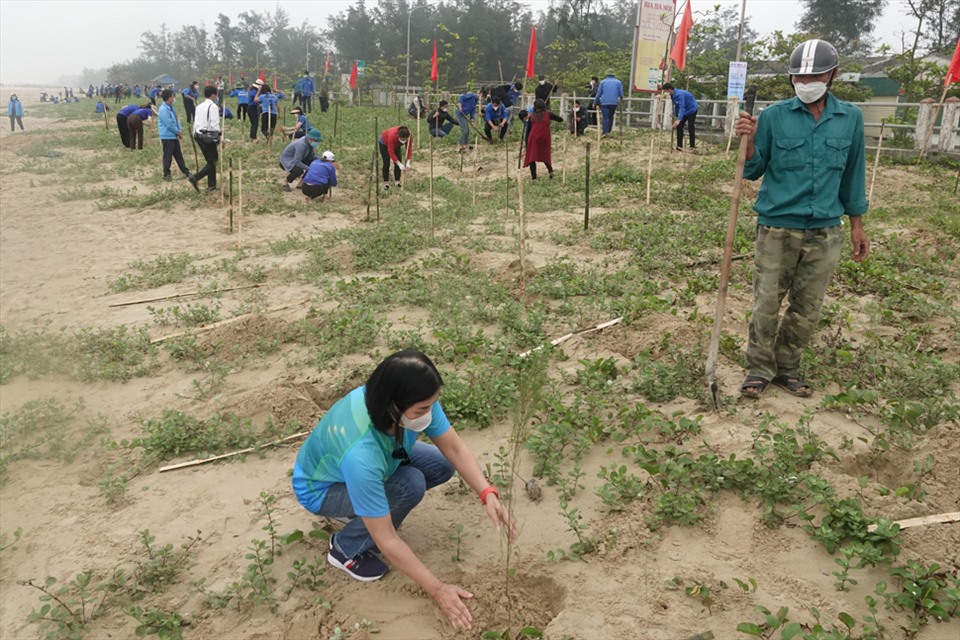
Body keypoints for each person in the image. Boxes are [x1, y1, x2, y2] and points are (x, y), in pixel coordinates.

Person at [292, 349, 513, 631]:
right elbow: (387, 540)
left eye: (432, 405)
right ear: (392, 407)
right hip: (322, 488)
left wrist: (487, 493)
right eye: (422, 410)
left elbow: (455, 448)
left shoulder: (409, 399)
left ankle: (365, 511)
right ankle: (345, 548)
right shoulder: (361, 454)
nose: (429, 415)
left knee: (441, 465)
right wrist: (438, 589)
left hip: (373, 464)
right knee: (410, 485)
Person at [735, 39, 870, 400]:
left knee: (807, 307)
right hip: (777, 227)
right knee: (766, 303)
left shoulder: (850, 119)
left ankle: (787, 367)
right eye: (799, 76)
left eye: (815, 75)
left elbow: (853, 174)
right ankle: (759, 368)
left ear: (833, 76)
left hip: (826, 230)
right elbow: (752, 168)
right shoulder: (775, 117)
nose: (806, 81)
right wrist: (747, 143)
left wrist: (857, 224)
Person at [189, 85, 222, 193]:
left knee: (210, 160)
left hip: (198, 135)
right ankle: (195, 177)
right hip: (208, 136)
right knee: (213, 161)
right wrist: (219, 138)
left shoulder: (199, 106)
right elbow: (214, 125)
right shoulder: (213, 107)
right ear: (213, 95)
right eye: (216, 95)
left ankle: (211, 185)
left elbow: (195, 122)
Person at [157, 89, 193, 183]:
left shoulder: (171, 108)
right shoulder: (163, 109)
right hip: (167, 136)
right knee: (167, 156)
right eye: (173, 96)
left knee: (178, 155)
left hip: (173, 135)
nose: (174, 98)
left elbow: (175, 121)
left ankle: (186, 172)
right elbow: (169, 124)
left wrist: (179, 130)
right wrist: (177, 132)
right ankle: (166, 174)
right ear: (169, 98)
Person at [523, 99, 563, 180]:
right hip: (544, 137)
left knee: (532, 157)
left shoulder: (532, 116)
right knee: (545, 155)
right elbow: (560, 119)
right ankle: (551, 172)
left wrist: (527, 143)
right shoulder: (548, 114)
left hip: (533, 137)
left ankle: (534, 177)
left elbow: (528, 131)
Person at [662, 82, 698, 151]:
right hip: (684, 111)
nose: (665, 93)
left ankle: (692, 145)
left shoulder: (680, 94)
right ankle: (679, 146)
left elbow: (682, 108)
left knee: (690, 126)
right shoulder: (672, 96)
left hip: (692, 109)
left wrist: (679, 120)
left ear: (669, 90)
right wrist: (675, 118)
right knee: (679, 126)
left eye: (665, 91)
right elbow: (676, 106)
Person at [379, 125, 413, 189]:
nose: (404, 141)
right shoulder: (392, 136)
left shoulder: (409, 135)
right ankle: (386, 183)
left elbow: (409, 149)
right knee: (386, 163)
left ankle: (397, 182)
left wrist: (408, 161)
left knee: (398, 161)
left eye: (405, 139)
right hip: (384, 143)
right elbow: (390, 151)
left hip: (396, 144)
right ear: (398, 136)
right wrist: (399, 164)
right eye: (402, 139)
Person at [592, 69, 623, 136]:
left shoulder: (603, 82)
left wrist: (595, 102)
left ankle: (605, 132)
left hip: (604, 102)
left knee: (605, 117)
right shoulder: (618, 82)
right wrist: (621, 99)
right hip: (614, 102)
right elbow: (621, 94)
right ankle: (609, 131)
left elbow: (598, 94)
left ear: (606, 75)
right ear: (614, 75)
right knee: (611, 117)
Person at [456, 87, 480, 152]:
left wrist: (472, 120)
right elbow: (461, 97)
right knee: (465, 130)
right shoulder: (472, 96)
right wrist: (460, 106)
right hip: (460, 113)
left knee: (467, 130)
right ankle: (460, 145)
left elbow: (472, 111)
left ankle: (466, 145)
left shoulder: (475, 102)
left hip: (465, 115)